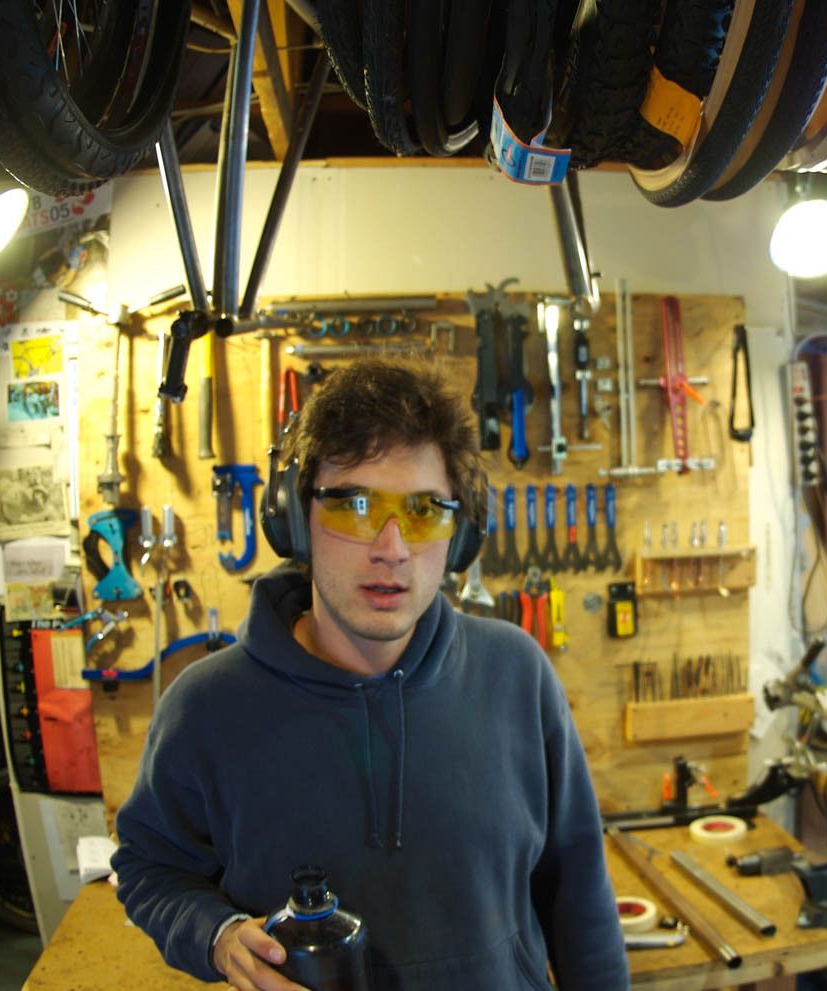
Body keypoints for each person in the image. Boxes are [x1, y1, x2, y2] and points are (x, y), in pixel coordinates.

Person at [111, 359, 629, 991]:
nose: (391, 547)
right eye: (355, 505)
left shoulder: (517, 674)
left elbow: (580, 897)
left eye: (423, 511)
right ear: (296, 521)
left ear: (460, 536)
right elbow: (149, 867)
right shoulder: (206, 706)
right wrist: (215, 937)